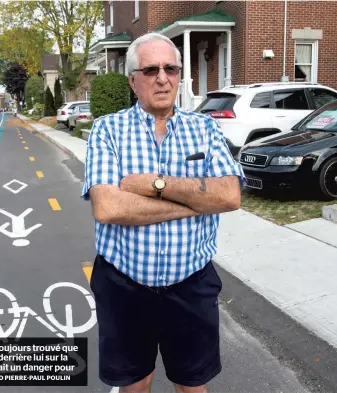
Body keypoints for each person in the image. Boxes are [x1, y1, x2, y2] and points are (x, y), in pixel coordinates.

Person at [82, 32, 246, 393]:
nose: (162, 78)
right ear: (132, 80)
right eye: (151, 69)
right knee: (135, 384)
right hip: (124, 285)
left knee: (192, 385)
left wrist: (154, 185)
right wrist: (194, 202)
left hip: (191, 283)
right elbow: (108, 207)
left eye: (171, 68)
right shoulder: (107, 130)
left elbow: (230, 195)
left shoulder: (205, 129)